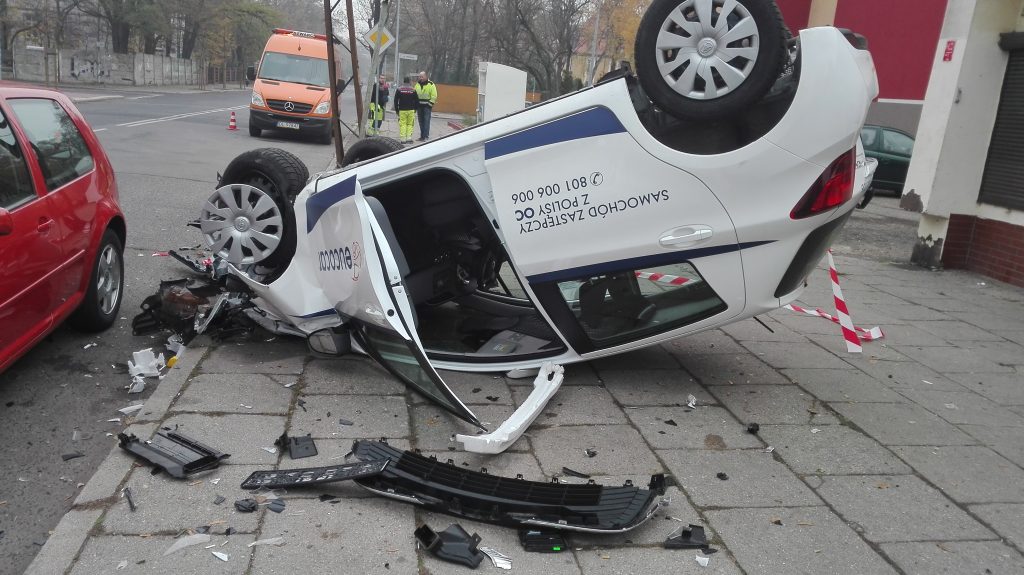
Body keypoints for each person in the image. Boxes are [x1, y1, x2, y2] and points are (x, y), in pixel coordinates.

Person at [393, 76, 419, 144]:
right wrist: (415, 109)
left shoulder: (399, 89)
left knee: (403, 124)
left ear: (403, 81)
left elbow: (395, 100)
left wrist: (397, 110)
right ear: (409, 81)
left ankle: (403, 139)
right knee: (410, 124)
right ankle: (409, 138)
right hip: (411, 110)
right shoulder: (413, 90)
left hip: (402, 110)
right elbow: (417, 100)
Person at [413, 71, 437, 141]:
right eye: (419, 76)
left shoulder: (431, 84)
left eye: (422, 76)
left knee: (426, 121)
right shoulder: (417, 84)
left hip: (427, 106)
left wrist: (429, 105)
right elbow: (414, 93)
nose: (420, 78)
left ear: (426, 77)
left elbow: (434, 95)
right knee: (421, 122)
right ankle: (422, 136)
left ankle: (426, 136)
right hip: (419, 106)